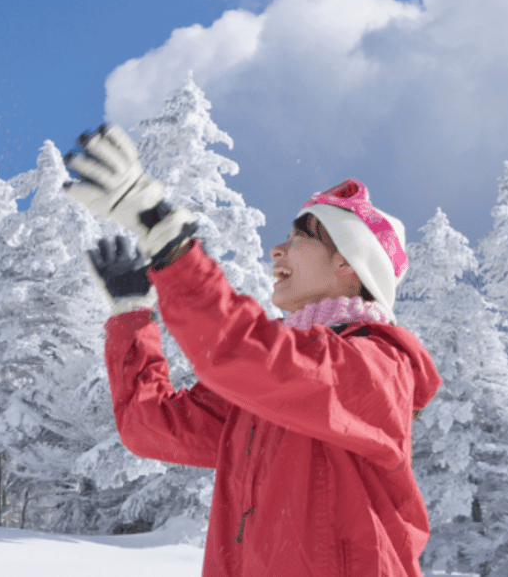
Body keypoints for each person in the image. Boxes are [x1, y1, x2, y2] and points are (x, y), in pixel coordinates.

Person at [64, 124, 441, 577]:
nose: (277, 250)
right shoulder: (267, 392)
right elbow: (151, 426)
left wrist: (168, 240)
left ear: (346, 261)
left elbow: (247, 353)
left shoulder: (379, 366)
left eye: (300, 237)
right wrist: (131, 314)